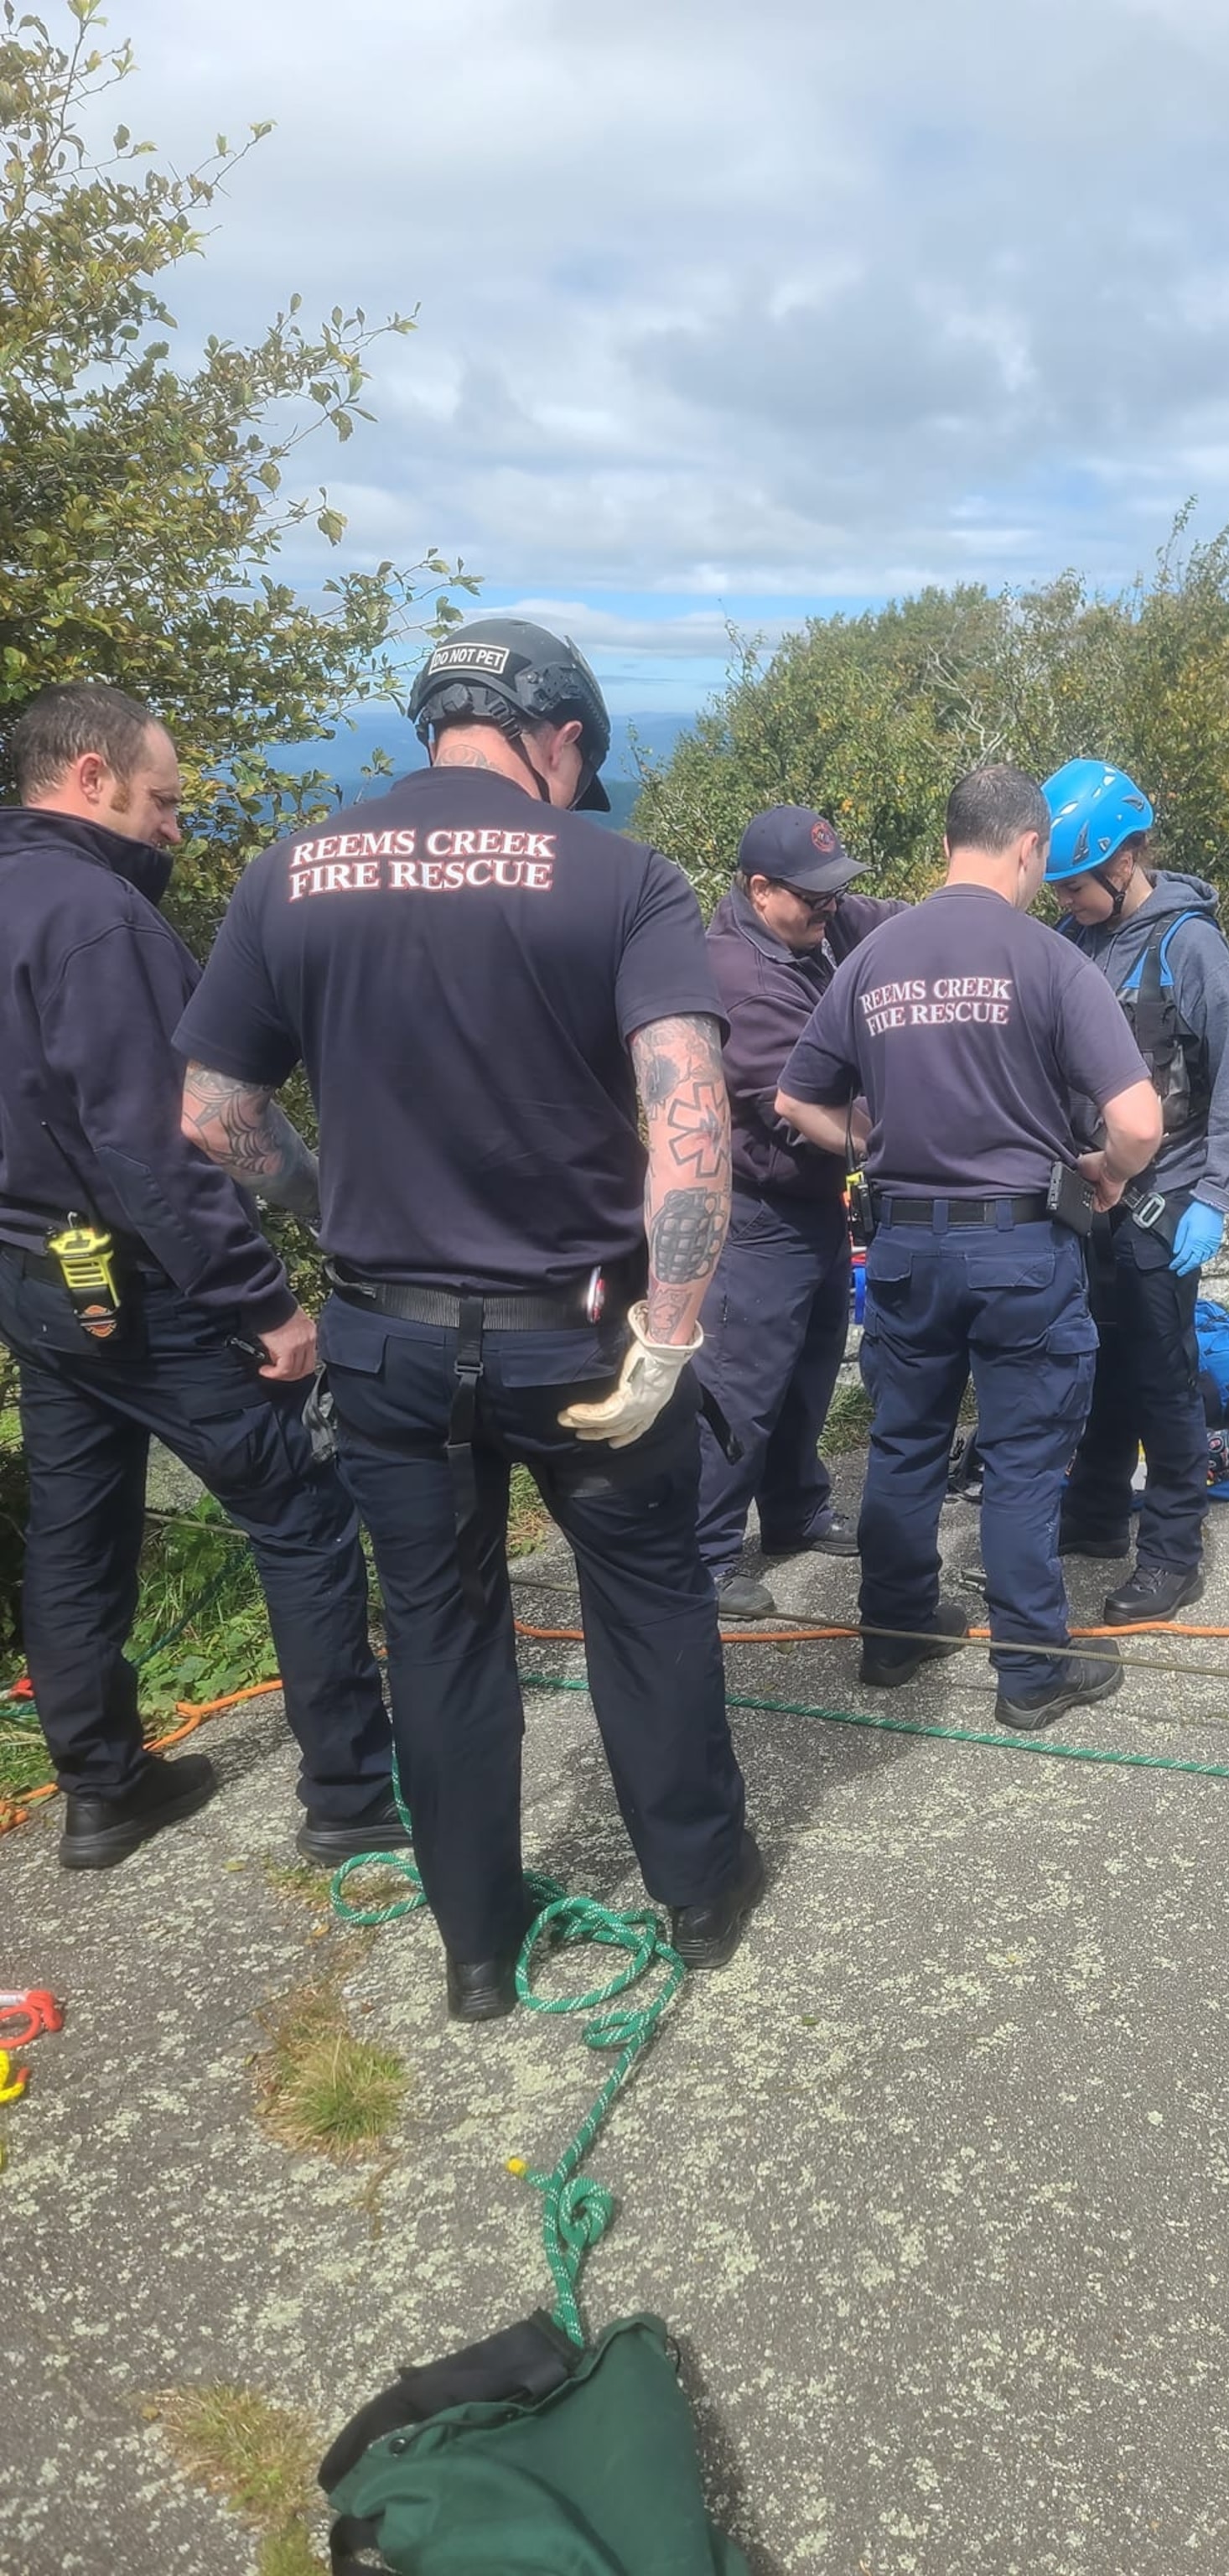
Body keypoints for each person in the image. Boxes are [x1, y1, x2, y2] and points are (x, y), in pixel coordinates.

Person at [174, 619, 763, 2020]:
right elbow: (689, 1118)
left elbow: (211, 1115)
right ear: (556, 733)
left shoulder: (290, 873)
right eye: (584, 762)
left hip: (385, 1335)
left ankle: (477, 1949)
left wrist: (332, 1205)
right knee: (647, 1605)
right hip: (580, 1330)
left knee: (437, 1632)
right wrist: (670, 1336)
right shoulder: (621, 880)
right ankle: (695, 1893)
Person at [0, 683, 397, 1869]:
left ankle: (103, 1788)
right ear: (88, 776)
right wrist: (262, 1304)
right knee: (300, 1514)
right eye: (162, 798)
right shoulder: (95, 919)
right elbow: (159, 1141)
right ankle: (352, 1796)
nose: (175, 826)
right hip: (150, 1283)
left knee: (75, 1530)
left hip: (36, 1279)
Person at [775, 764, 1163, 1732]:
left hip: (906, 1245)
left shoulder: (872, 958)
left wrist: (879, 1147)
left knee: (905, 1446)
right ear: (1029, 847)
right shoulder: (1047, 959)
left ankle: (896, 1633)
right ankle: (1031, 1671)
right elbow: (1141, 1122)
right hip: (1020, 1247)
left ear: (949, 841)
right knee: (1026, 1460)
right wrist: (1106, 1175)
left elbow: (794, 1100)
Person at [1041, 760, 1229, 1623]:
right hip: (1086, 1190)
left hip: (1163, 1199)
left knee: (1163, 1376)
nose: (1063, 899)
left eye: (1075, 884)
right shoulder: (1073, 941)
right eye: (1054, 884)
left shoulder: (1187, 944)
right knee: (1099, 1364)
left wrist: (1215, 1195)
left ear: (1124, 857)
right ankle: (1096, 1516)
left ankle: (1174, 1552)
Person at [697, 806, 908, 1620]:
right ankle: (706, 1553)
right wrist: (915, 1137)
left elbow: (890, 922)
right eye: (813, 900)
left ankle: (794, 1511)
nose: (830, 911)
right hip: (756, 1217)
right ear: (759, 890)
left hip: (815, 1207)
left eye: (833, 897)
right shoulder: (740, 980)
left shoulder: (814, 929)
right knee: (741, 1383)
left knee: (810, 1371)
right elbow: (810, 1103)